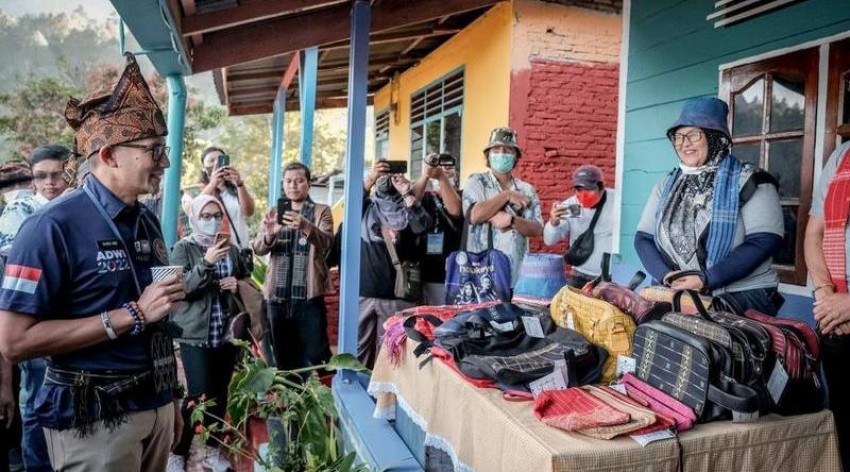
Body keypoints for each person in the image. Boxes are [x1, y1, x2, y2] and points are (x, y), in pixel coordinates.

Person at [0, 53, 186, 472]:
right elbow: (13, 342)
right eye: (154, 151)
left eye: (166, 150)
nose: (165, 163)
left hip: (152, 405)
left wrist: (169, 399)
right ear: (108, 155)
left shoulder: (147, 220)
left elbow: (159, 321)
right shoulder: (49, 228)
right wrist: (132, 314)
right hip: (95, 420)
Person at [634, 97, 784, 315]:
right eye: (678, 137)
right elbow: (643, 238)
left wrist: (707, 279)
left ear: (716, 138)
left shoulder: (752, 181)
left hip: (741, 294)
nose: (685, 143)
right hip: (681, 292)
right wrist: (665, 275)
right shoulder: (666, 186)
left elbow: (764, 240)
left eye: (694, 135)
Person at [0, 145, 73, 472]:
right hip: (35, 324)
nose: (49, 183)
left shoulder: (81, 209)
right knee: (36, 406)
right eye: (41, 176)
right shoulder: (22, 212)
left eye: (56, 175)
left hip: (75, 326)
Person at [167, 195, 251, 472]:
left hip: (225, 333)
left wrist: (235, 283)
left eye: (217, 215)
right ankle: (177, 454)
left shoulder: (231, 249)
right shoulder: (183, 249)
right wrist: (206, 262)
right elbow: (183, 290)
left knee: (220, 394)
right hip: (195, 334)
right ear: (193, 218)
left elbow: (244, 279)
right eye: (206, 215)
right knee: (198, 395)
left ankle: (212, 452)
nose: (212, 220)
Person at [329, 161, 431, 369]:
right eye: (383, 177)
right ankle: (358, 394)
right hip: (363, 294)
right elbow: (351, 202)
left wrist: (406, 192)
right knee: (357, 352)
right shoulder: (365, 208)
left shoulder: (408, 209)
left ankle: (382, 398)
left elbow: (423, 226)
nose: (388, 181)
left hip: (397, 297)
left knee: (390, 354)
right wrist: (371, 177)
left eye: (393, 177)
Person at [253, 162, 334, 372]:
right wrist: (269, 234)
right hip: (277, 298)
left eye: (299, 181)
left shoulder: (321, 211)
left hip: (308, 297)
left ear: (308, 184)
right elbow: (258, 248)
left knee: (319, 354)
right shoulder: (273, 212)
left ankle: (325, 397)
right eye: (288, 181)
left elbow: (326, 243)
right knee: (283, 356)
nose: (293, 186)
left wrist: (305, 225)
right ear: (283, 184)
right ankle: (291, 400)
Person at [803, 139, 850, 470]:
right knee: (844, 427)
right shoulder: (842, 155)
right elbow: (813, 235)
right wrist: (825, 294)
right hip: (835, 314)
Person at [462, 127, 543, 286]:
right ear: (488, 155)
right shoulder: (477, 182)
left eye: (507, 150)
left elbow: (537, 228)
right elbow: (474, 215)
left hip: (517, 275)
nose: (501, 153)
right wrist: (506, 196)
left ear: (515, 156)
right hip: (481, 274)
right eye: (496, 149)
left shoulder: (526, 189)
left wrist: (512, 221)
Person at [544, 164, 615, 287]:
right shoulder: (572, 206)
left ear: (601, 188)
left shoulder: (616, 201)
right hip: (580, 275)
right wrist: (553, 222)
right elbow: (550, 240)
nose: (583, 194)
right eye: (579, 189)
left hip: (611, 278)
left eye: (589, 189)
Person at [411, 153, 463, 305]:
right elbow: (409, 201)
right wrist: (426, 175)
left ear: (456, 172)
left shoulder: (462, 195)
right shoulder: (426, 197)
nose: (445, 170)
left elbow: (455, 211)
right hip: (428, 269)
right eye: (441, 167)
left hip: (456, 271)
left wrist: (442, 178)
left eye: (449, 167)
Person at [190, 147, 255, 250]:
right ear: (203, 167)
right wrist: (213, 184)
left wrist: (239, 184)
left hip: (238, 250)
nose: (216, 164)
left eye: (219, 159)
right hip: (210, 251)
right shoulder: (195, 191)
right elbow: (192, 210)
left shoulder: (236, 189)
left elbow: (249, 212)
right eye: (211, 160)